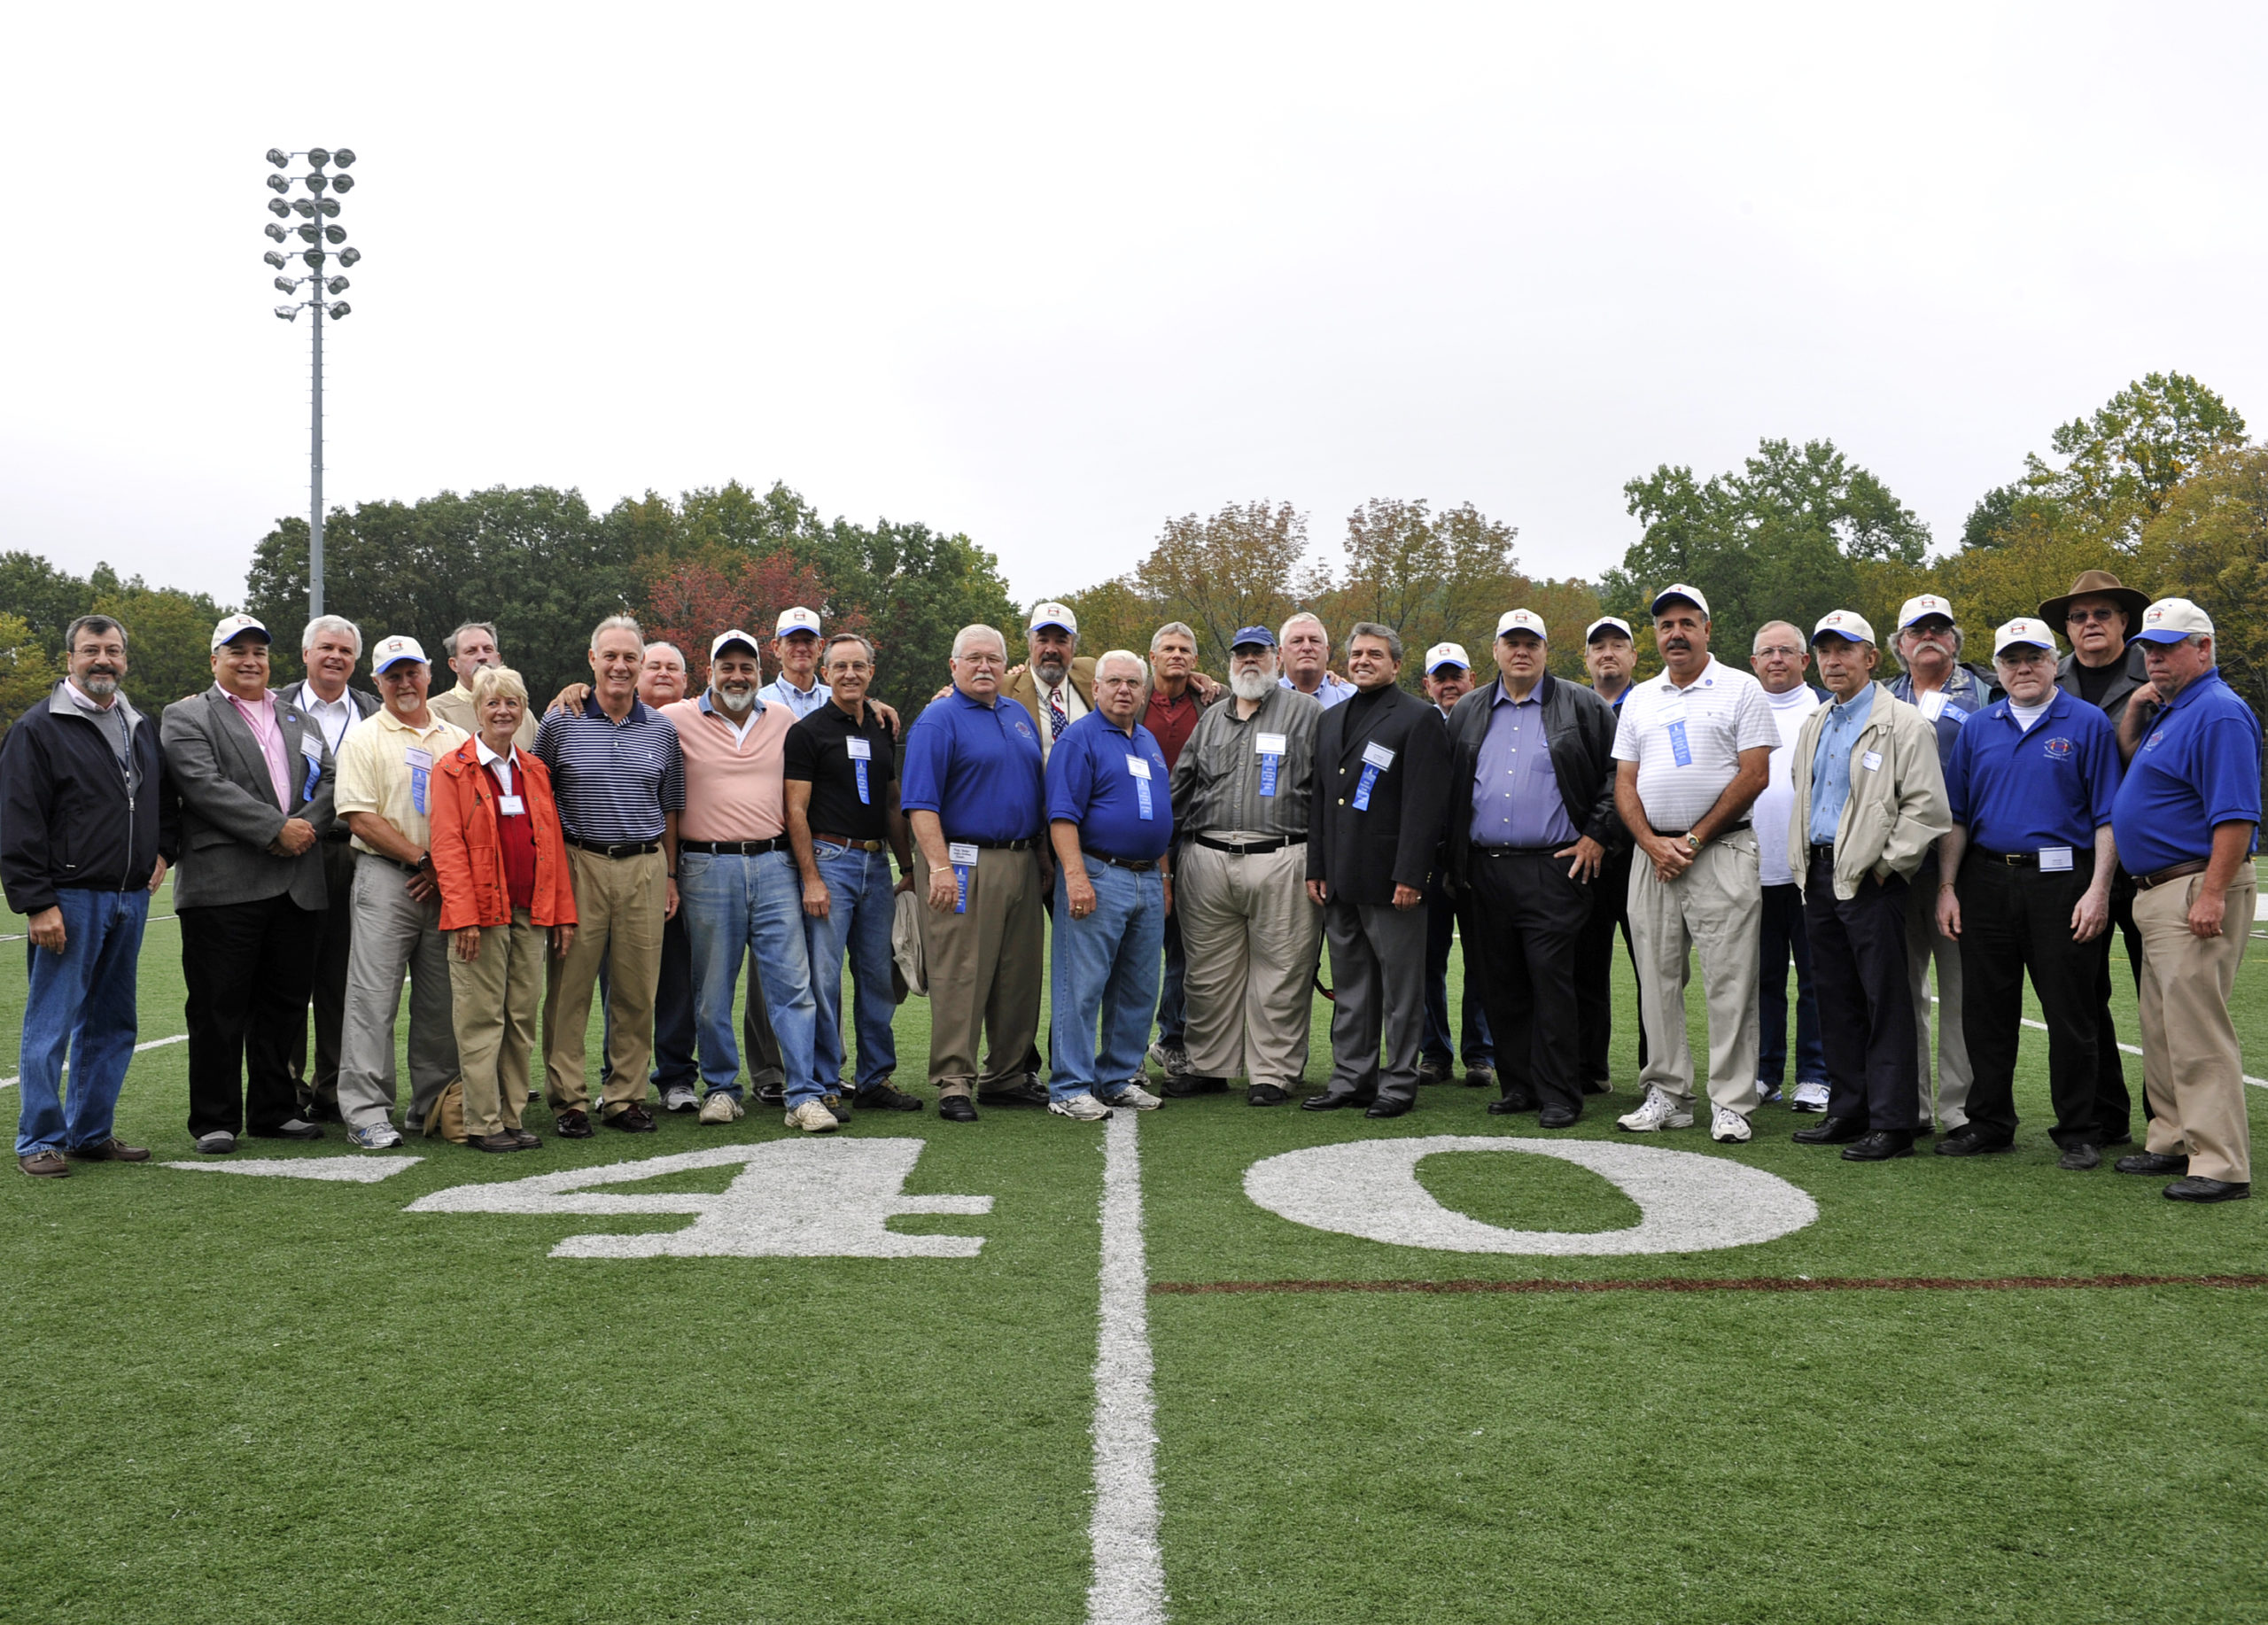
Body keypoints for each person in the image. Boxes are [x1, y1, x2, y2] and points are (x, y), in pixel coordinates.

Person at [1935, 619, 2119, 1166]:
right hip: (1985, 879)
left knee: (2071, 1010)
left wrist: (2098, 890)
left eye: (2034, 658)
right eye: (2011, 660)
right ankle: (1989, 1122)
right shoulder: (1978, 726)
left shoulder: (2087, 724)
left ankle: (2080, 1129)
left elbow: (2107, 817)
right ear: (1996, 668)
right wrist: (1947, 886)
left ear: (2053, 661)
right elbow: (1957, 817)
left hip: (2063, 881)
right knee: (1985, 1011)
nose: (2023, 669)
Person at [2, 615, 169, 1177]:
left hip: (130, 896)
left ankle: (90, 1132)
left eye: (114, 651)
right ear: (69, 658)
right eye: (91, 650)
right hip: (69, 898)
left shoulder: (139, 724)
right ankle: (38, 1140)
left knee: (113, 1023)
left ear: (125, 660)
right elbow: (18, 820)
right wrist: (36, 902)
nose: (104, 660)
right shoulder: (37, 728)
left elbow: (160, 803)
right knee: (51, 1024)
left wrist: (162, 852)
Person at [162, 613, 336, 1154]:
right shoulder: (186, 715)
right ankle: (214, 1119)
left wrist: (306, 825)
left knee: (284, 1005)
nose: (249, 661)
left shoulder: (299, 719)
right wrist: (275, 829)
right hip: (224, 886)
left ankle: (274, 1110)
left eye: (259, 652)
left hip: (297, 883)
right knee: (218, 1007)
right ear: (215, 660)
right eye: (236, 651)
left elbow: (331, 777)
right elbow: (202, 786)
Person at [1612, 584, 1776, 1143]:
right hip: (1651, 858)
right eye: (1665, 626)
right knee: (1656, 979)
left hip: (1722, 851)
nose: (1675, 634)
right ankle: (1667, 1093)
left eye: (1686, 623)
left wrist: (1693, 839)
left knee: (1729, 981)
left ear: (1707, 629)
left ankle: (1731, 1101)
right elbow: (1625, 784)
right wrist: (1654, 844)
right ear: (1655, 636)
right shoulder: (1640, 697)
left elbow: (1755, 775)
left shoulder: (1741, 688)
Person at [2109, 598, 2259, 1202]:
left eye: (2168, 647)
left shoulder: (2218, 713)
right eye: (2149, 648)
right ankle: (2172, 1137)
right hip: (2161, 888)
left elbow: (2236, 816)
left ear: (2204, 648)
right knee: (2164, 1027)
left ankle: (2221, 1164)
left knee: (2196, 1030)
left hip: (2193, 885)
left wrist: (2213, 893)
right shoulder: (2175, 709)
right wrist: (2139, 708)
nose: (2155, 658)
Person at [1785, 611, 1950, 1162]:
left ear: (1871, 657)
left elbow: (1927, 807)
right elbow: (1805, 796)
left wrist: (1886, 865)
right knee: (1835, 998)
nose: (1834, 660)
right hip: (1820, 872)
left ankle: (1893, 1122)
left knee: (1886, 1002)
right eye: (1825, 651)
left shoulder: (1904, 723)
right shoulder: (1816, 721)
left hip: (1872, 879)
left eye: (1845, 650)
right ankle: (1849, 1110)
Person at [1442, 610, 1618, 1126]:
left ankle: (1561, 1092)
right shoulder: (1468, 710)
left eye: (1531, 643)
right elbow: (1449, 788)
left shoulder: (1583, 705)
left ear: (1546, 651)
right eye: (1511, 642)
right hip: (1483, 869)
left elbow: (1617, 775)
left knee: (1552, 983)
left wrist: (1597, 836)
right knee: (1501, 983)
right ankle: (1518, 1085)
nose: (1521, 651)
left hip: (1555, 868)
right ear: (1494, 650)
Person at [662, 629, 832, 1131]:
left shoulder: (782, 717)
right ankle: (720, 1088)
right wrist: (574, 693)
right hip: (707, 867)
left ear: (760, 672)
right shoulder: (675, 719)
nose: (737, 676)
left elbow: (834, 726)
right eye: (727, 667)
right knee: (713, 990)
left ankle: (803, 1094)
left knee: (792, 986)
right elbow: (622, 706)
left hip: (775, 864)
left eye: (746, 667)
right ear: (708, 670)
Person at [536, 614, 684, 1137]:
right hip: (581, 864)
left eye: (630, 657)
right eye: (611, 656)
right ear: (592, 660)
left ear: (641, 665)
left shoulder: (663, 730)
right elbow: (538, 797)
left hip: (646, 864)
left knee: (636, 990)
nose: (620, 666)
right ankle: (568, 1099)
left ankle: (624, 1097)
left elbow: (670, 808)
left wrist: (669, 876)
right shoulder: (559, 722)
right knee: (569, 989)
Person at [901, 625, 1052, 1121]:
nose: (984, 667)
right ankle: (954, 1079)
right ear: (954, 666)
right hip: (962, 862)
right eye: (973, 659)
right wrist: (939, 866)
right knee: (961, 971)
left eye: (993, 659)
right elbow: (921, 805)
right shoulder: (938, 719)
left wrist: (1044, 862)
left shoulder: (1018, 714)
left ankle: (1006, 1075)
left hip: (1021, 859)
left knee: (1019, 974)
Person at [1169, 627, 1325, 1104]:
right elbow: (1182, 785)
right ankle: (1208, 1066)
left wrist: (1323, 862)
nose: (1250, 662)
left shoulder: (1307, 714)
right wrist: (1160, 851)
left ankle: (1272, 1073)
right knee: (1208, 974)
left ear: (1275, 659)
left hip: (1282, 855)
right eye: (1242, 655)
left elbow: (1326, 797)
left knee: (1281, 972)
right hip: (1208, 858)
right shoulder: (1212, 717)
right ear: (1231, 661)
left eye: (1258, 653)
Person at [1300, 624, 1449, 1116]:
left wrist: (1412, 875)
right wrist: (1316, 866)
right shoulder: (1332, 718)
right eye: (1358, 653)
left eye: (1375, 654)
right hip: (1341, 878)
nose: (1364, 660)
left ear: (1396, 664)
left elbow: (1425, 807)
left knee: (1401, 991)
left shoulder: (1418, 718)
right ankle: (1351, 1078)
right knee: (1352, 988)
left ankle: (1398, 1082)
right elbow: (1322, 801)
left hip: (1391, 880)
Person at [428, 665, 576, 1152]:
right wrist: (464, 914)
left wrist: (561, 913)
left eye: (512, 702)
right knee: (481, 1019)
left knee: (519, 1018)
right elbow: (447, 847)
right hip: (482, 915)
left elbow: (551, 845)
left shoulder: (535, 769)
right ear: (477, 710)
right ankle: (482, 1122)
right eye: (493, 703)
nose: (503, 711)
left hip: (529, 912)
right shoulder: (452, 769)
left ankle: (512, 1117)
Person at [332, 634, 470, 1150]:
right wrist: (424, 860)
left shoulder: (456, 737)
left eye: (412, 672)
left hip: (446, 884)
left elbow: (473, 813)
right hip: (387, 879)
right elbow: (359, 817)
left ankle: (432, 1104)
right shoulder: (363, 738)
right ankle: (366, 1111)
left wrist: (443, 869)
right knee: (373, 1000)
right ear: (378, 682)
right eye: (393, 675)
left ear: (429, 674)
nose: (404, 682)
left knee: (441, 1002)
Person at [785, 633, 922, 1116]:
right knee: (824, 980)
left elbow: (891, 803)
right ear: (825, 674)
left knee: (877, 977)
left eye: (858, 666)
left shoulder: (882, 728)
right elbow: (795, 811)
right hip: (830, 860)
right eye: (839, 666)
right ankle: (824, 1082)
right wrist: (811, 878)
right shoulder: (807, 732)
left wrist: (906, 867)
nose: (849, 674)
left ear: (870, 672)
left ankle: (874, 1078)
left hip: (876, 864)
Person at [2040, 568, 2155, 1145]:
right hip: (2074, 866)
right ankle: (2107, 1118)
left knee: (2158, 999)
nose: (2090, 624)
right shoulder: (2046, 680)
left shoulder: (2155, 673)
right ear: (2066, 628)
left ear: (2124, 622)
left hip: (2148, 863)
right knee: (2083, 999)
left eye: (2102, 614)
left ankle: (2168, 1123)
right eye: (2079, 616)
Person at [1044, 650, 1174, 1121]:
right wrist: (1076, 877)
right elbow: (1061, 816)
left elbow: (1159, 816)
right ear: (1095, 688)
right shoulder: (1079, 740)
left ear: (1144, 690)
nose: (1124, 690)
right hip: (1099, 873)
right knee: (1082, 987)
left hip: (1146, 878)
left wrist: (1163, 877)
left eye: (1133, 683)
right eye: (1114, 681)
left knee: (1139, 987)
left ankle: (1117, 1078)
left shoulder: (1147, 741)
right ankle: (1070, 1087)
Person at [1886, 593, 1997, 1135]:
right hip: (1894, 866)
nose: (1928, 637)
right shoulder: (1880, 695)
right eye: (1916, 630)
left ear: (1955, 639)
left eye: (1939, 628)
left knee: (1959, 992)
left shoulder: (1986, 693)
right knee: (1901, 990)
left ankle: (1958, 1111)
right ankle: (1912, 1105)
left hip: (1966, 865)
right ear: (1900, 643)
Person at [281, 613, 378, 1122]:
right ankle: (286, 1086)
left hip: (356, 850)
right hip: (292, 849)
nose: (335, 656)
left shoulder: (374, 709)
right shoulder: (273, 706)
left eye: (345, 650)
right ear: (305, 654)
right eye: (325, 648)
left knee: (343, 975)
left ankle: (333, 1086)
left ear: (356, 661)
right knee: (289, 970)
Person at [1747, 620, 1830, 1111]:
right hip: (1751, 868)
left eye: (1787, 651)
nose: (1776, 659)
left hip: (1810, 870)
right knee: (1762, 978)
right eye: (1766, 652)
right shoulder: (1741, 705)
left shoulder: (1826, 708)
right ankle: (1763, 1071)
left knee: (1817, 979)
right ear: (1753, 662)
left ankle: (1816, 1074)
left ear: (1804, 660)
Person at [1141, 621, 1217, 1082]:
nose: (1175, 655)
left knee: (1185, 948)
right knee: (1135, 947)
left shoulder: (1213, 701)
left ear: (1194, 659)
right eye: (1167, 648)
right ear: (1151, 656)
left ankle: (1173, 1039)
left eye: (1184, 649)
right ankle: (1120, 1049)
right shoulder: (1126, 695)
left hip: (1193, 836)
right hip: (1139, 836)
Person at [1418, 642, 1495, 1091]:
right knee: (1429, 960)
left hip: (1478, 858)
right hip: (1429, 861)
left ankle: (1480, 1054)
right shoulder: (1416, 722)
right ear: (1427, 684)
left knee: (1482, 960)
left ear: (1472, 678)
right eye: (1440, 677)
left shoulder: (1489, 718)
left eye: (1457, 675)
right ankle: (1434, 1052)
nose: (1449, 684)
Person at [1574, 614, 1643, 1091]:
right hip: (1587, 859)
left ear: (1634, 656)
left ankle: (1653, 1071)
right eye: (1598, 646)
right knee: (1586, 967)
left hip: (1641, 856)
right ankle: (1589, 1070)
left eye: (1618, 644)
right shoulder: (1572, 708)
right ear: (1586, 658)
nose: (1608, 653)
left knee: (1653, 972)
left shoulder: (1650, 703)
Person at [429, 621, 539, 749]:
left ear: (498, 659)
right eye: (471, 651)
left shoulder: (523, 714)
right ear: (454, 664)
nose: (482, 657)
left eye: (488, 649)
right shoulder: (434, 712)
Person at [758, 606, 832, 720]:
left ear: (820, 647)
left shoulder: (835, 699)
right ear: (776, 648)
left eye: (808, 641)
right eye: (792, 641)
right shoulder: (761, 701)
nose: (802, 648)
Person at [1278, 613, 1355, 709]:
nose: (1307, 647)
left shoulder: (1352, 698)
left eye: (1314, 641)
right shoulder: (1264, 699)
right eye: (1297, 641)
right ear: (1281, 653)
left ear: (1327, 651)